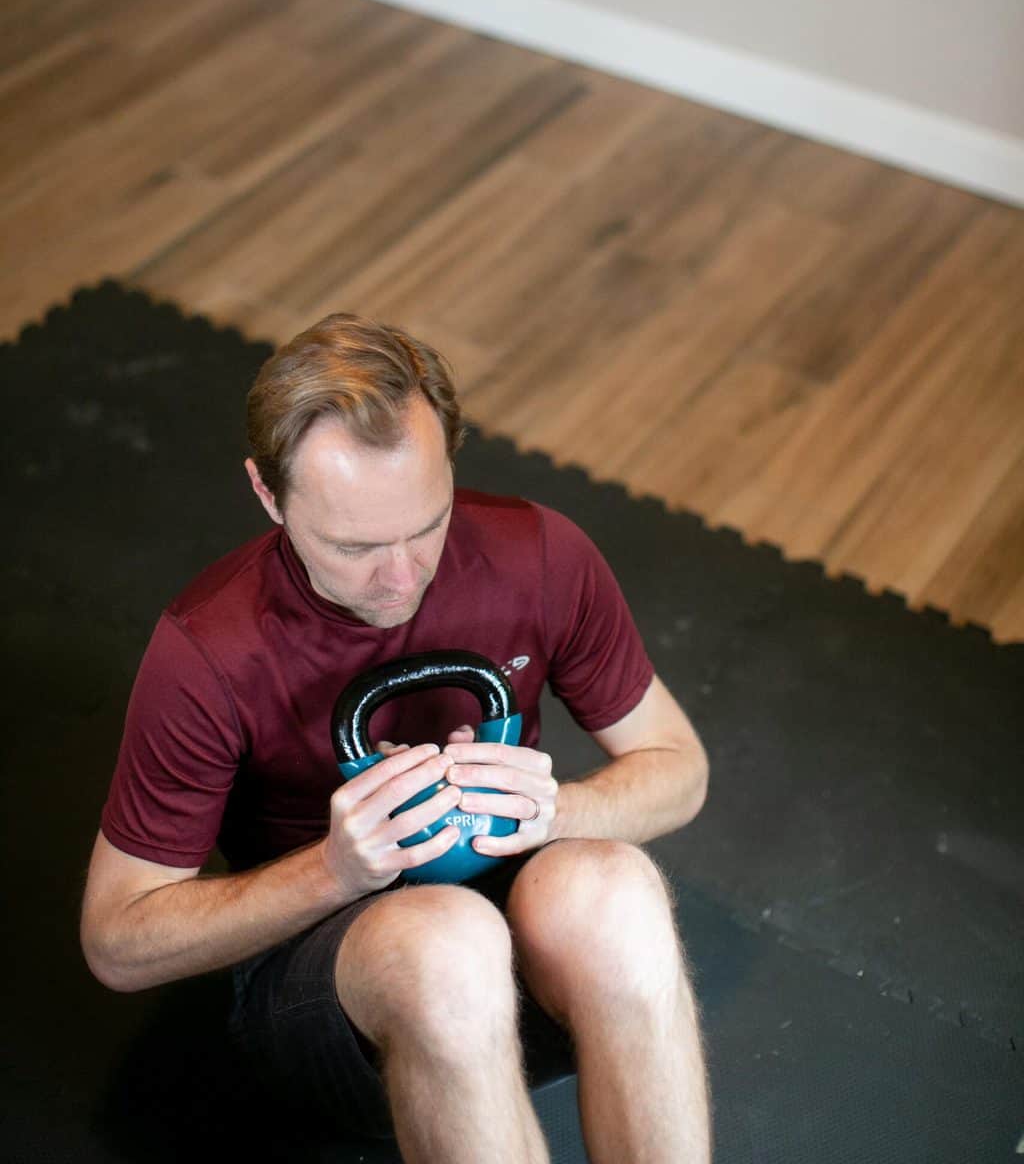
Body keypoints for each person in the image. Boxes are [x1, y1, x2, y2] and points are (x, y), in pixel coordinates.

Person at [80, 312, 712, 1164]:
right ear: (269, 496)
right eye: (353, 545)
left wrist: (553, 810)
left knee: (619, 889)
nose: (402, 575)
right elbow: (116, 943)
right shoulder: (207, 650)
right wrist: (338, 867)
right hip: (349, 1007)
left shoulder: (542, 555)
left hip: (531, 960)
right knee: (447, 945)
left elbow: (681, 770)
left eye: (427, 524)